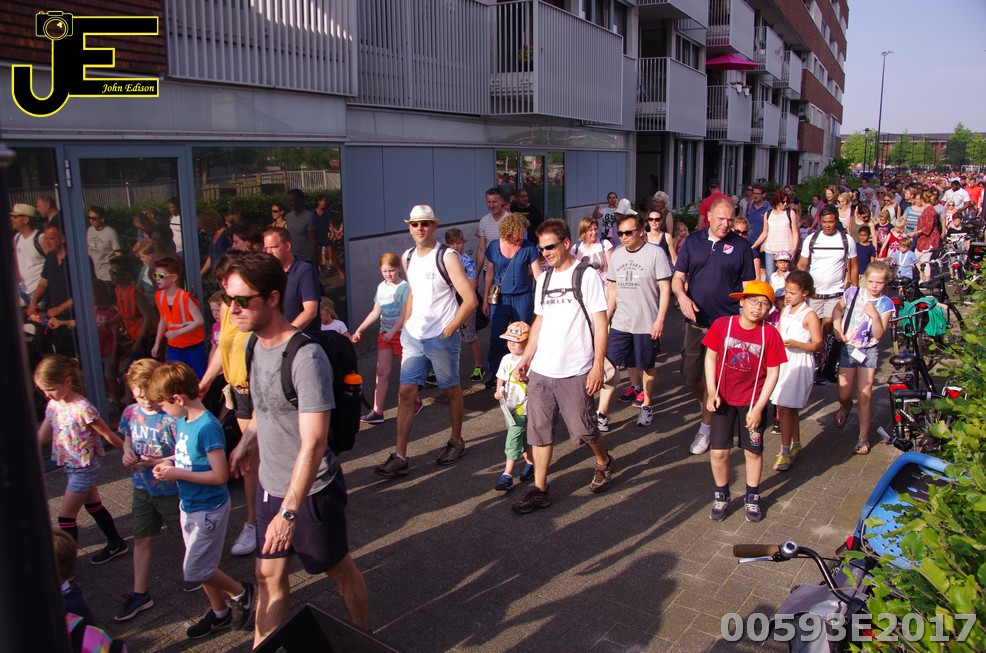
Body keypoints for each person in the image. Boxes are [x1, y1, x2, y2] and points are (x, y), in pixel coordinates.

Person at [221, 252, 368, 644]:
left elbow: (315, 442)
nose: (233, 309)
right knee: (267, 577)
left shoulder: (306, 357)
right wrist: (246, 441)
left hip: (311, 493)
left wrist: (288, 512)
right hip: (270, 486)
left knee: (338, 571)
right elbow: (266, 408)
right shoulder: (253, 346)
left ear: (272, 298)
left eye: (242, 300)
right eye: (229, 300)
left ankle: (363, 640)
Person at [509, 218, 614, 514]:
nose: (546, 253)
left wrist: (597, 365)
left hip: (576, 368)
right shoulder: (543, 279)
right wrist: (526, 358)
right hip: (543, 370)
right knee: (539, 431)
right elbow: (539, 321)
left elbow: (601, 323)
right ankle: (540, 489)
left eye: (550, 247)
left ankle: (604, 461)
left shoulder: (586, 275)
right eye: (541, 249)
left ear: (567, 243)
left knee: (584, 430)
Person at [147, 362, 255, 640]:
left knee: (195, 569)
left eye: (163, 405)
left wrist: (177, 474)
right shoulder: (183, 421)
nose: (162, 411)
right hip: (190, 506)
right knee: (203, 564)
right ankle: (220, 613)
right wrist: (167, 462)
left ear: (178, 399)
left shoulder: (206, 427)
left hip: (208, 509)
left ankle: (241, 593)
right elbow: (189, 456)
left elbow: (220, 476)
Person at [374, 206, 478, 477]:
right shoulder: (407, 257)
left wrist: (448, 331)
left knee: (451, 390)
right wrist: (406, 324)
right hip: (413, 337)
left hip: (441, 338)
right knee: (405, 393)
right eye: (415, 224)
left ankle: (456, 441)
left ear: (434, 226)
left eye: (425, 223)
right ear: (409, 227)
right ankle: (400, 456)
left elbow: (470, 300)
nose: (419, 228)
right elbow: (413, 293)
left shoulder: (447, 257)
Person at [673, 198, 756, 455]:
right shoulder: (693, 242)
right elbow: (678, 278)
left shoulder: (741, 246)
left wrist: (750, 319)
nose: (725, 224)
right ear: (709, 216)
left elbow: (748, 287)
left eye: (730, 219)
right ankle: (708, 403)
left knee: (715, 380)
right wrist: (682, 297)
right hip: (696, 323)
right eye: (720, 218)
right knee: (690, 376)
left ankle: (706, 428)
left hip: (726, 325)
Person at [702, 280, 787, 522]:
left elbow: (773, 373)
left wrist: (760, 407)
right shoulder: (723, 325)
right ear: (742, 302)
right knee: (719, 452)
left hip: (752, 404)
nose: (757, 307)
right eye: (753, 301)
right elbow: (710, 357)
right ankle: (722, 495)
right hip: (723, 401)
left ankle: (752, 496)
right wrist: (711, 391)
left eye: (764, 304)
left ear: (770, 309)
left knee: (753, 452)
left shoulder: (770, 334)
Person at [34, 355, 128, 562]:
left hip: (84, 468)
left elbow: (108, 435)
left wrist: (127, 452)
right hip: (71, 466)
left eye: (50, 389)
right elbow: (43, 433)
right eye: (42, 390)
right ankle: (116, 543)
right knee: (93, 506)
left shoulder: (82, 408)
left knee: (65, 518)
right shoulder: (54, 405)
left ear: (67, 381)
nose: (46, 394)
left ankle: (66, 567)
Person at [197, 251, 258, 557]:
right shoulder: (226, 306)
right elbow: (224, 350)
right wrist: (207, 380)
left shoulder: (253, 306)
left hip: (260, 389)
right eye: (222, 281)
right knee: (252, 460)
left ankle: (269, 518)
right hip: (239, 390)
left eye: (229, 279)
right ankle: (255, 522)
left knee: (259, 457)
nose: (225, 286)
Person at [114, 358, 181, 622]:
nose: (145, 401)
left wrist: (159, 461)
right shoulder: (130, 412)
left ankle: (204, 574)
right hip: (141, 487)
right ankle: (140, 593)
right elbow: (127, 439)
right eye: (139, 395)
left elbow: (184, 454)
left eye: (149, 395)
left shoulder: (170, 416)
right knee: (141, 538)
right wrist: (126, 452)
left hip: (171, 489)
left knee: (185, 535)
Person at [596, 213, 672, 430]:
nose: (624, 237)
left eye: (628, 232)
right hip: (621, 323)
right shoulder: (617, 255)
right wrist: (606, 318)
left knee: (646, 366)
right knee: (610, 366)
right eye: (620, 233)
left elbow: (665, 289)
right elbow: (612, 289)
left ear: (640, 231)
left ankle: (646, 405)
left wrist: (660, 320)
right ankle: (601, 413)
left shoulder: (655, 254)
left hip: (646, 323)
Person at [831, 261, 895, 455]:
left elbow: (879, 333)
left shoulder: (886, 303)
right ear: (865, 279)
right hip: (848, 347)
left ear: (886, 282)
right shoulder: (853, 293)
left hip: (869, 351)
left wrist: (875, 316)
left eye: (879, 282)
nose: (874, 286)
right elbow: (837, 309)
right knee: (844, 392)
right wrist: (837, 327)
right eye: (871, 281)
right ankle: (845, 406)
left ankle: (863, 438)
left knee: (864, 394)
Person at [797, 206, 857, 383]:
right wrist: (797, 287)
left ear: (837, 221)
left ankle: (825, 365)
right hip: (814, 294)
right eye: (824, 222)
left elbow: (853, 266)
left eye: (831, 221)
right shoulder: (812, 239)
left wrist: (854, 290)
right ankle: (814, 363)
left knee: (829, 327)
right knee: (812, 330)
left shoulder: (846, 240)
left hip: (835, 293)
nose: (828, 225)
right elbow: (802, 265)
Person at [769, 271, 822, 472]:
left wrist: (797, 344)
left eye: (792, 293)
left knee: (785, 407)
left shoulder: (809, 315)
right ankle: (796, 444)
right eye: (786, 292)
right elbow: (778, 333)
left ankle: (785, 451)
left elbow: (818, 344)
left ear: (805, 293)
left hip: (798, 363)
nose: (788, 296)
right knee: (787, 407)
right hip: (783, 362)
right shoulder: (785, 310)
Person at [352, 253, 412, 425]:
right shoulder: (381, 287)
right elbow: (375, 311)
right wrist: (360, 329)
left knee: (406, 372)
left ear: (398, 268)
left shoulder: (404, 287)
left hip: (400, 334)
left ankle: (414, 401)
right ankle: (377, 411)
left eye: (391, 271)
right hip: (384, 334)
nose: (388, 274)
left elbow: (404, 314)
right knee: (381, 372)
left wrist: (392, 332)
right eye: (385, 271)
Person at [482, 213, 541, 382]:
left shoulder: (529, 247)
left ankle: (524, 370)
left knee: (523, 336)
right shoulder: (494, 246)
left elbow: (538, 274)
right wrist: (485, 299)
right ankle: (496, 373)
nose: (521, 237)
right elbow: (489, 273)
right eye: (518, 233)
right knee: (497, 336)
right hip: (500, 298)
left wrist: (546, 293)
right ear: (508, 232)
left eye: (523, 232)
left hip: (522, 297)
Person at [492, 321, 535, 494]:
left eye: (516, 341)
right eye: (509, 340)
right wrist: (498, 390)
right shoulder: (506, 359)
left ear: (528, 343)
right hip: (508, 406)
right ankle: (532, 464)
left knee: (513, 439)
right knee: (522, 439)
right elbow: (500, 377)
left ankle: (507, 475)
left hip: (523, 408)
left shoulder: (532, 361)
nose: (511, 344)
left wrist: (524, 378)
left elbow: (536, 386)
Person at [151, 257, 207, 377]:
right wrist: (157, 343)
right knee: (174, 378)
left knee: (197, 378)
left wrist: (178, 332)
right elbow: (163, 320)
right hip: (174, 347)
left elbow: (199, 321)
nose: (157, 279)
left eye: (161, 276)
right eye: (155, 275)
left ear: (174, 277)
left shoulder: (184, 297)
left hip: (193, 347)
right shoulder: (159, 296)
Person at [262, 227, 320, 334]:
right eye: (266, 248)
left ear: (287, 246)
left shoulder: (304, 270)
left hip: (303, 339)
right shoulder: (269, 274)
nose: (268, 252)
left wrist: (285, 335)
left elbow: (310, 311)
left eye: (273, 247)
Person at [445, 228, 484, 381]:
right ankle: (439, 369)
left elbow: (472, 285)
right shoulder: (444, 260)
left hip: (464, 302)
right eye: (453, 243)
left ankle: (478, 366)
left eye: (459, 243)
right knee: (444, 335)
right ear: (447, 245)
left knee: (469, 335)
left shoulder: (468, 261)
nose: (457, 246)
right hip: (448, 304)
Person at [111, 256, 157, 360]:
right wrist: (110, 322)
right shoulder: (118, 290)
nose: (111, 275)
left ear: (126, 275)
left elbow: (148, 317)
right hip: (134, 336)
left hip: (146, 337)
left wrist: (139, 341)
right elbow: (123, 312)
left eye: (114, 272)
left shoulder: (135, 293)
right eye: (110, 272)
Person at [753, 190, 798, 279]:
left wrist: (794, 249)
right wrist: (755, 244)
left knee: (785, 277)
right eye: (783, 202)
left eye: (787, 201)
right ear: (776, 201)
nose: (785, 204)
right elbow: (765, 232)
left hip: (786, 249)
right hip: (770, 249)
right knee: (769, 276)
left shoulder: (790, 213)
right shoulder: (768, 214)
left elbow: (795, 232)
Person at [10, 203, 47, 305]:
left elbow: (51, 264)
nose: (11, 219)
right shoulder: (16, 238)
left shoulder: (41, 239)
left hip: (38, 292)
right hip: (22, 290)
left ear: (26, 219)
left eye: (15, 217)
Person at [475, 187, 510, 275]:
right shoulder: (484, 221)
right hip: (488, 270)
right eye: (488, 202)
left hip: (507, 270)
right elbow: (481, 249)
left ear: (501, 201)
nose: (491, 205)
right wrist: (476, 274)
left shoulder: (510, 220)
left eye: (494, 202)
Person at [86, 205, 123, 283]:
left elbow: (118, 254)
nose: (91, 220)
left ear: (102, 219)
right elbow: (89, 248)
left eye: (94, 218)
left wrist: (116, 275)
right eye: (89, 218)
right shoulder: (90, 230)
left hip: (108, 276)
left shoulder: (110, 233)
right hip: (95, 274)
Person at [571, 217, 614, 283]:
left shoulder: (605, 244)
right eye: (590, 230)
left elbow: (612, 270)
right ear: (584, 232)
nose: (594, 232)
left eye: (595, 229)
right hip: (584, 286)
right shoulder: (576, 249)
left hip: (604, 287)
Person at [912, 191, 940, 283]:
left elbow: (929, 226)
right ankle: (922, 274)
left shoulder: (931, 210)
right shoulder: (926, 209)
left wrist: (916, 232)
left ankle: (927, 280)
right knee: (915, 257)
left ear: (922, 200)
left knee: (925, 260)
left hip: (930, 237)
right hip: (922, 238)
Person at [283, 189, 316, 265]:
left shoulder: (309, 216)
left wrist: (315, 261)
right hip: (292, 258)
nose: (289, 203)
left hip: (306, 259)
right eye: (288, 201)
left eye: (292, 200)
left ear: (300, 200)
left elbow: (312, 241)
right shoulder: (288, 217)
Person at [198, 209, 232, 283]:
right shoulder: (213, 236)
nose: (203, 230)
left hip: (225, 274)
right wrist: (202, 272)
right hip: (216, 275)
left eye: (204, 227)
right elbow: (211, 256)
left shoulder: (226, 235)